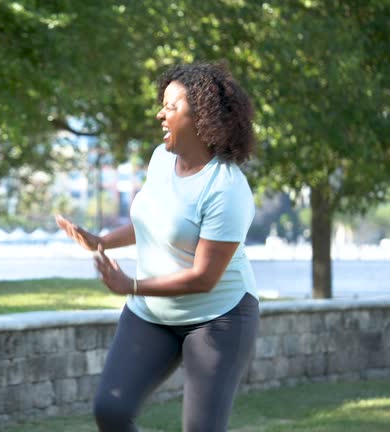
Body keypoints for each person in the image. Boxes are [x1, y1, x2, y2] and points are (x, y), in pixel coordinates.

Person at [55, 62, 259, 432]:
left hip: (218, 318)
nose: (159, 114)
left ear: (203, 118)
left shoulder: (226, 189)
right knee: (111, 410)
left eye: (171, 106)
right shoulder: (161, 159)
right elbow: (152, 222)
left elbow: (203, 278)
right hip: (152, 314)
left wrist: (130, 285)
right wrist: (101, 241)